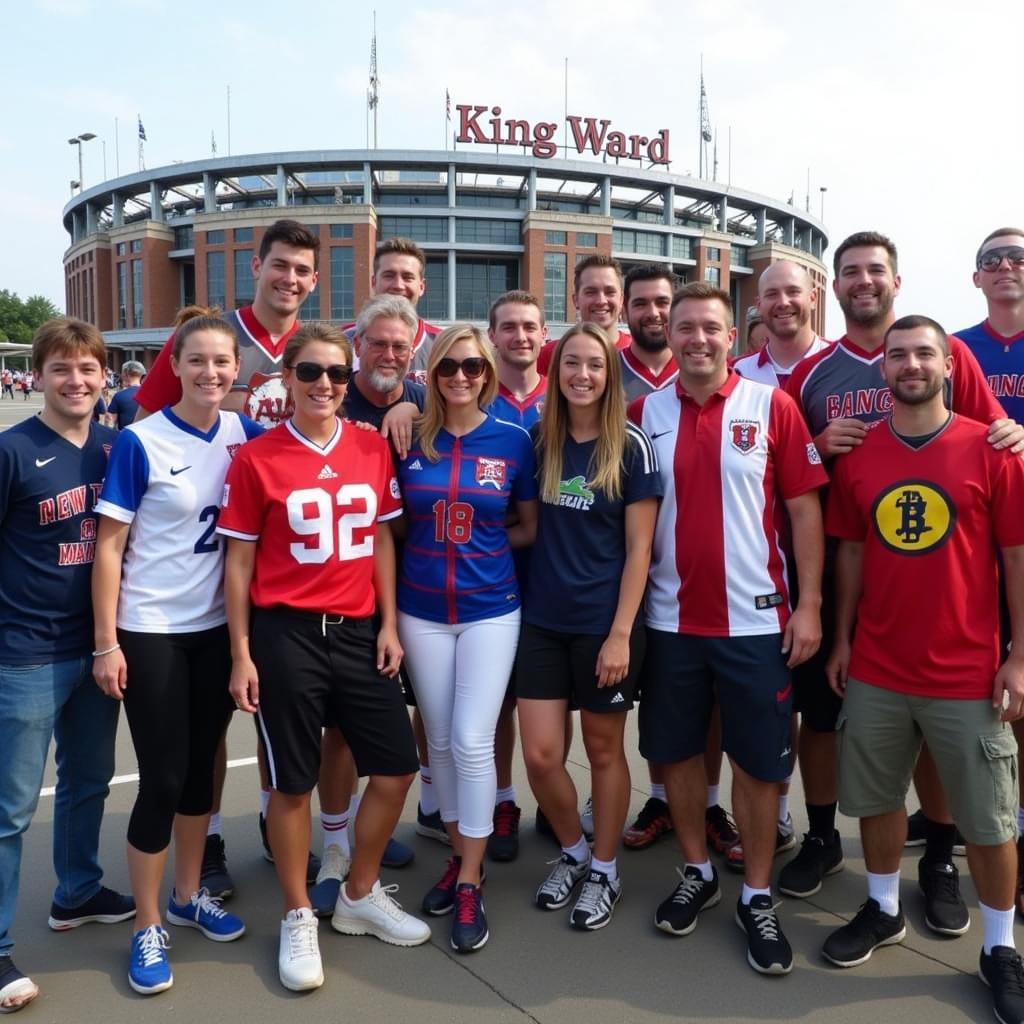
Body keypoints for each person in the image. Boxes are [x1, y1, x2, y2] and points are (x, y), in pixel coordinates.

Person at [782, 230, 1018, 915]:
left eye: (875, 270)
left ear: (896, 279)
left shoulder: (953, 355)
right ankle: (829, 842)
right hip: (848, 574)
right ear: (837, 286)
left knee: (942, 734)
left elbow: (993, 436)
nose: (863, 281)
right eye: (850, 271)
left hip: (950, 588)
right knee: (836, 725)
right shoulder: (815, 372)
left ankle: (939, 856)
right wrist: (820, 448)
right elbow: (789, 462)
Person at [821, 314, 1024, 1024]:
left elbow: (1015, 558)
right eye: (898, 354)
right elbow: (847, 552)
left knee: (989, 820)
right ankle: (881, 907)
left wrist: (1020, 654)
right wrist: (842, 640)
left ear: (948, 364)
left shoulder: (991, 450)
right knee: (876, 799)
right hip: (877, 662)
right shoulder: (862, 456)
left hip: (967, 670)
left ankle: (1000, 947)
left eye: (924, 354)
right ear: (883, 369)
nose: (911, 364)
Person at [219, 322, 429, 993]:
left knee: (396, 767)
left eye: (336, 375)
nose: (324, 386)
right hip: (287, 634)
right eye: (310, 373)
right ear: (287, 377)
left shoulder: (370, 449)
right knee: (292, 783)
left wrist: (390, 622)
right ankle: (299, 911)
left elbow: (383, 542)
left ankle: (359, 892)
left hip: (360, 630)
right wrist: (242, 653)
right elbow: (240, 560)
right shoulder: (257, 458)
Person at [630, 282, 827, 975]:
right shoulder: (643, 413)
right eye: (685, 328)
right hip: (670, 620)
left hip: (756, 623)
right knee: (679, 754)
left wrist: (810, 607)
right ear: (670, 335)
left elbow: (805, 510)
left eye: (711, 327)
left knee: (758, 764)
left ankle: (758, 894)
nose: (697, 339)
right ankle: (696, 871)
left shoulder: (771, 405)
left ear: (730, 335)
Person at [135, 223, 323, 896]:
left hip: (293, 554)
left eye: (302, 270)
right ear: (256, 265)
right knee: (210, 718)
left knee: (280, 709)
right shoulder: (217, 338)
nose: (290, 279)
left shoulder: (312, 345)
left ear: (315, 279)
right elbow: (150, 422)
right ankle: (206, 834)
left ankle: (280, 824)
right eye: (281, 266)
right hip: (213, 554)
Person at [92, 316, 260, 995]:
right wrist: (107, 642)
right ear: (177, 364)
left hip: (217, 628)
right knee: (160, 778)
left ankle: (190, 895)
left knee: (199, 774)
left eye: (223, 362)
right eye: (198, 361)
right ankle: (148, 922)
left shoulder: (243, 435)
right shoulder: (141, 439)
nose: (211, 373)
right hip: (152, 627)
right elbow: (108, 547)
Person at [0, 319, 135, 1015]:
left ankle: (76, 891)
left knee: (88, 780)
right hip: (25, 650)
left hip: (99, 646)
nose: (76, 380)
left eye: (88, 368)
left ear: (104, 374)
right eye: (61, 369)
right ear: (42, 375)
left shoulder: (118, 446)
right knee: (10, 807)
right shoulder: (13, 452)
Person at [395, 325, 538, 954]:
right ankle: (459, 855)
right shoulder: (407, 437)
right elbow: (388, 525)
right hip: (420, 609)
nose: (460, 376)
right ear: (431, 371)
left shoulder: (512, 438)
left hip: (489, 607)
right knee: (443, 740)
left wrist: (476, 550)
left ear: (487, 372)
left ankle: (473, 878)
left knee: (476, 739)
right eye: (448, 365)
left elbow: (528, 526)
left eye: (473, 367)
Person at [519, 322, 659, 930]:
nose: (582, 374)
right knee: (542, 754)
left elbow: (640, 551)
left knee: (604, 750)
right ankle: (573, 851)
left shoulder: (631, 445)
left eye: (595, 365)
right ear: (556, 374)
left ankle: (604, 868)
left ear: (610, 375)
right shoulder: (536, 440)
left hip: (606, 626)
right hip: (542, 621)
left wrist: (621, 633)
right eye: (571, 363)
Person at [307, 294, 426, 917]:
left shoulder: (431, 400)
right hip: (345, 597)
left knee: (411, 722)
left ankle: (374, 832)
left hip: (424, 588)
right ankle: (333, 843)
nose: (387, 354)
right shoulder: (329, 395)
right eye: (377, 343)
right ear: (358, 345)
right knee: (339, 733)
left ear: (414, 352)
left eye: (400, 347)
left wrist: (411, 402)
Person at [957, 226, 1024, 916]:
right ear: (976, 277)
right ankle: (946, 821)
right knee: (983, 695)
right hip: (982, 552)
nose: (1006, 267)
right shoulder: (957, 350)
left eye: (1017, 257)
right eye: (992, 260)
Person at [344, 237, 442, 384]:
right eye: (389, 275)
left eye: (408, 277)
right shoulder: (343, 340)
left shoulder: (442, 344)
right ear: (373, 282)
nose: (398, 285)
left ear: (421, 286)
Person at [734, 261, 831, 388]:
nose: (783, 303)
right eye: (772, 294)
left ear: (813, 298)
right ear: (759, 305)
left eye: (793, 291)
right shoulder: (737, 373)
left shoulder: (842, 363)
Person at [537, 254, 631, 375]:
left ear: (621, 300)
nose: (601, 301)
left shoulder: (638, 352)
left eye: (610, 292)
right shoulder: (550, 354)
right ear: (576, 300)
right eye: (591, 292)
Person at [104, 360, 146, 429]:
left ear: (126, 374)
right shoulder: (150, 395)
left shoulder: (119, 396)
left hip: (126, 437)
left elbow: (109, 423)